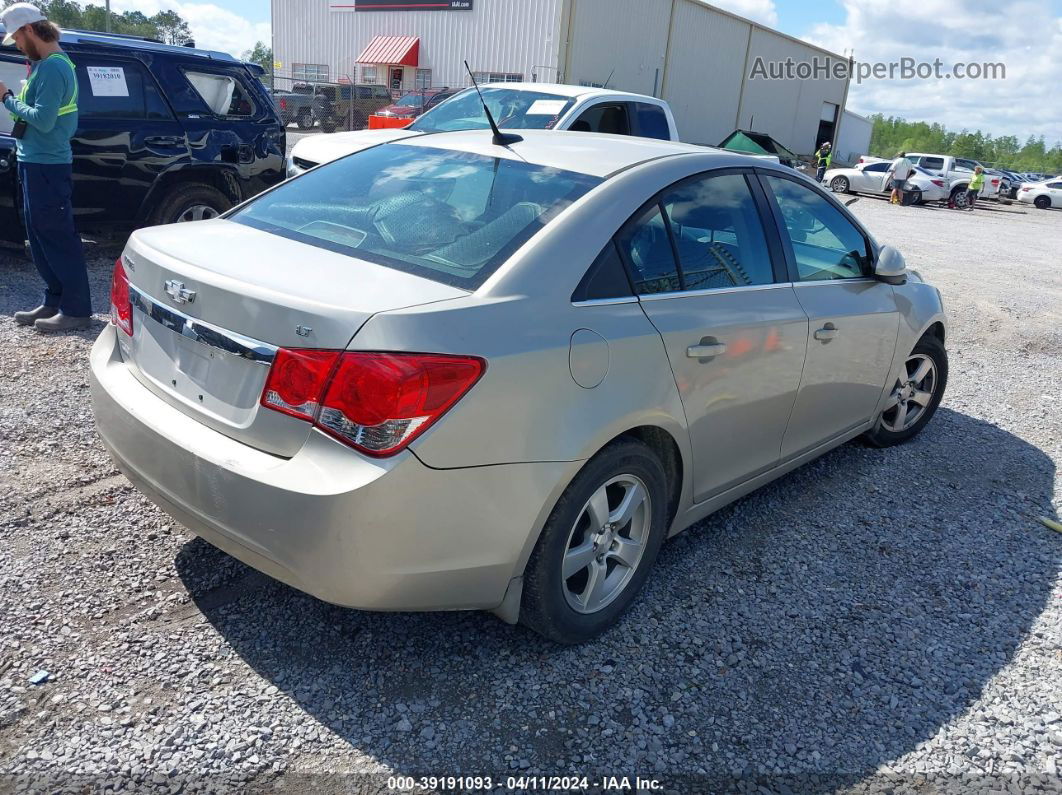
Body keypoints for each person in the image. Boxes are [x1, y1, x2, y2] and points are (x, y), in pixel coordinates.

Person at [1, 3, 91, 332]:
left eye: (17, 39)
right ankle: (53, 301)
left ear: (28, 30)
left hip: (47, 165)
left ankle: (77, 310)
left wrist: (7, 97)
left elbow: (43, 119)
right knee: (39, 237)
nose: (18, 45)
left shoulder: (54, 67)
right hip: (33, 160)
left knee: (57, 237)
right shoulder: (42, 66)